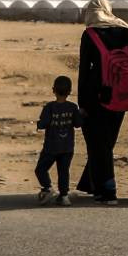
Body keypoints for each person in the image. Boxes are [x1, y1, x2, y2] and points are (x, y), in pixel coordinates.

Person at [75, 0, 128, 205]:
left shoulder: (89, 34)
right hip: (121, 91)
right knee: (106, 142)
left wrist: (82, 103)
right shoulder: (124, 31)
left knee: (98, 144)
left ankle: (108, 190)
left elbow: (84, 70)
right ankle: (93, 184)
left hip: (96, 95)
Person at [34, 75, 83, 206]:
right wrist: (81, 114)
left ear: (53, 90)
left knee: (40, 169)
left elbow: (43, 124)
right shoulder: (73, 107)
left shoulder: (49, 107)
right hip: (67, 147)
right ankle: (64, 195)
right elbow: (78, 124)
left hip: (51, 146)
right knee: (63, 171)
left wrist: (38, 124)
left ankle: (47, 188)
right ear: (70, 91)